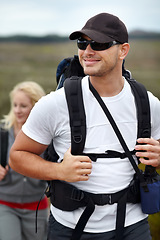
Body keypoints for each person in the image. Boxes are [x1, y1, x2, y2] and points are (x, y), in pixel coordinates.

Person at [9, 13, 160, 240]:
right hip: (70, 228)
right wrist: (59, 171)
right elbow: (17, 156)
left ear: (123, 50)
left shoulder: (147, 103)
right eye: (83, 42)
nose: (87, 51)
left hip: (133, 225)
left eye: (99, 43)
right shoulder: (55, 104)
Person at [0, 81, 49, 240]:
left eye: (23, 106)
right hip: (5, 205)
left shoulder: (48, 135)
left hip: (37, 208)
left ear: (36, 107)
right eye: (15, 105)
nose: (17, 111)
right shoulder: (2, 132)